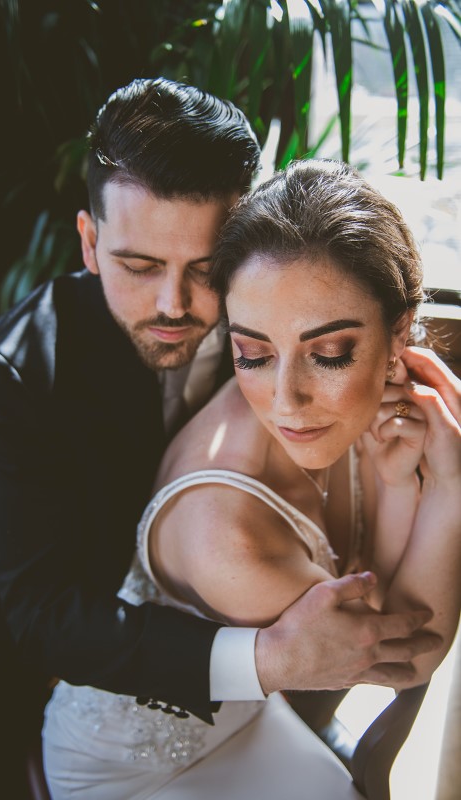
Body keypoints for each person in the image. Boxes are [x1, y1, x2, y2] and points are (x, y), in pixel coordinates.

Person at [0, 80, 439, 798]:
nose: (173, 303)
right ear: (90, 242)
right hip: (54, 612)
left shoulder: (280, 311)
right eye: (138, 267)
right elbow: (44, 612)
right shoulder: (12, 371)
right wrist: (262, 658)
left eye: (205, 270)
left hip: (235, 618)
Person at [42, 159, 461, 799]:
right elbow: (411, 647)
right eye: (253, 354)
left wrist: (400, 483)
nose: (286, 400)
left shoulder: (350, 416)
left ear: (399, 330)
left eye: (327, 355)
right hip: (132, 770)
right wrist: (451, 491)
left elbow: (379, 578)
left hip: (252, 719)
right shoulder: (225, 539)